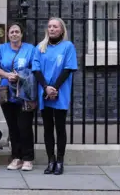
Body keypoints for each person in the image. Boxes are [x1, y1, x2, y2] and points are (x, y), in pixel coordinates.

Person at [32, 17, 78, 175]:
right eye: (50, 26)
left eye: (55, 27)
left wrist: (54, 88)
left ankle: (60, 161)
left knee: (60, 127)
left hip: (61, 92)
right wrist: (46, 88)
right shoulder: (40, 47)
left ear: (62, 30)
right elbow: (36, 69)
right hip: (44, 92)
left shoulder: (68, 46)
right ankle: (50, 160)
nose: (51, 29)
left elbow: (68, 69)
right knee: (47, 128)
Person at [0, 22, 36, 171]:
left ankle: (28, 158)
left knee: (24, 126)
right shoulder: (2, 49)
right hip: (7, 92)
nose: (14, 34)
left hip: (25, 92)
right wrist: (7, 74)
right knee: (13, 126)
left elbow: (35, 67)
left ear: (21, 34)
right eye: (11, 32)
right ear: (8, 35)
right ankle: (16, 157)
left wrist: (22, 75)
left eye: (17, 32)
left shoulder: (30, 49)